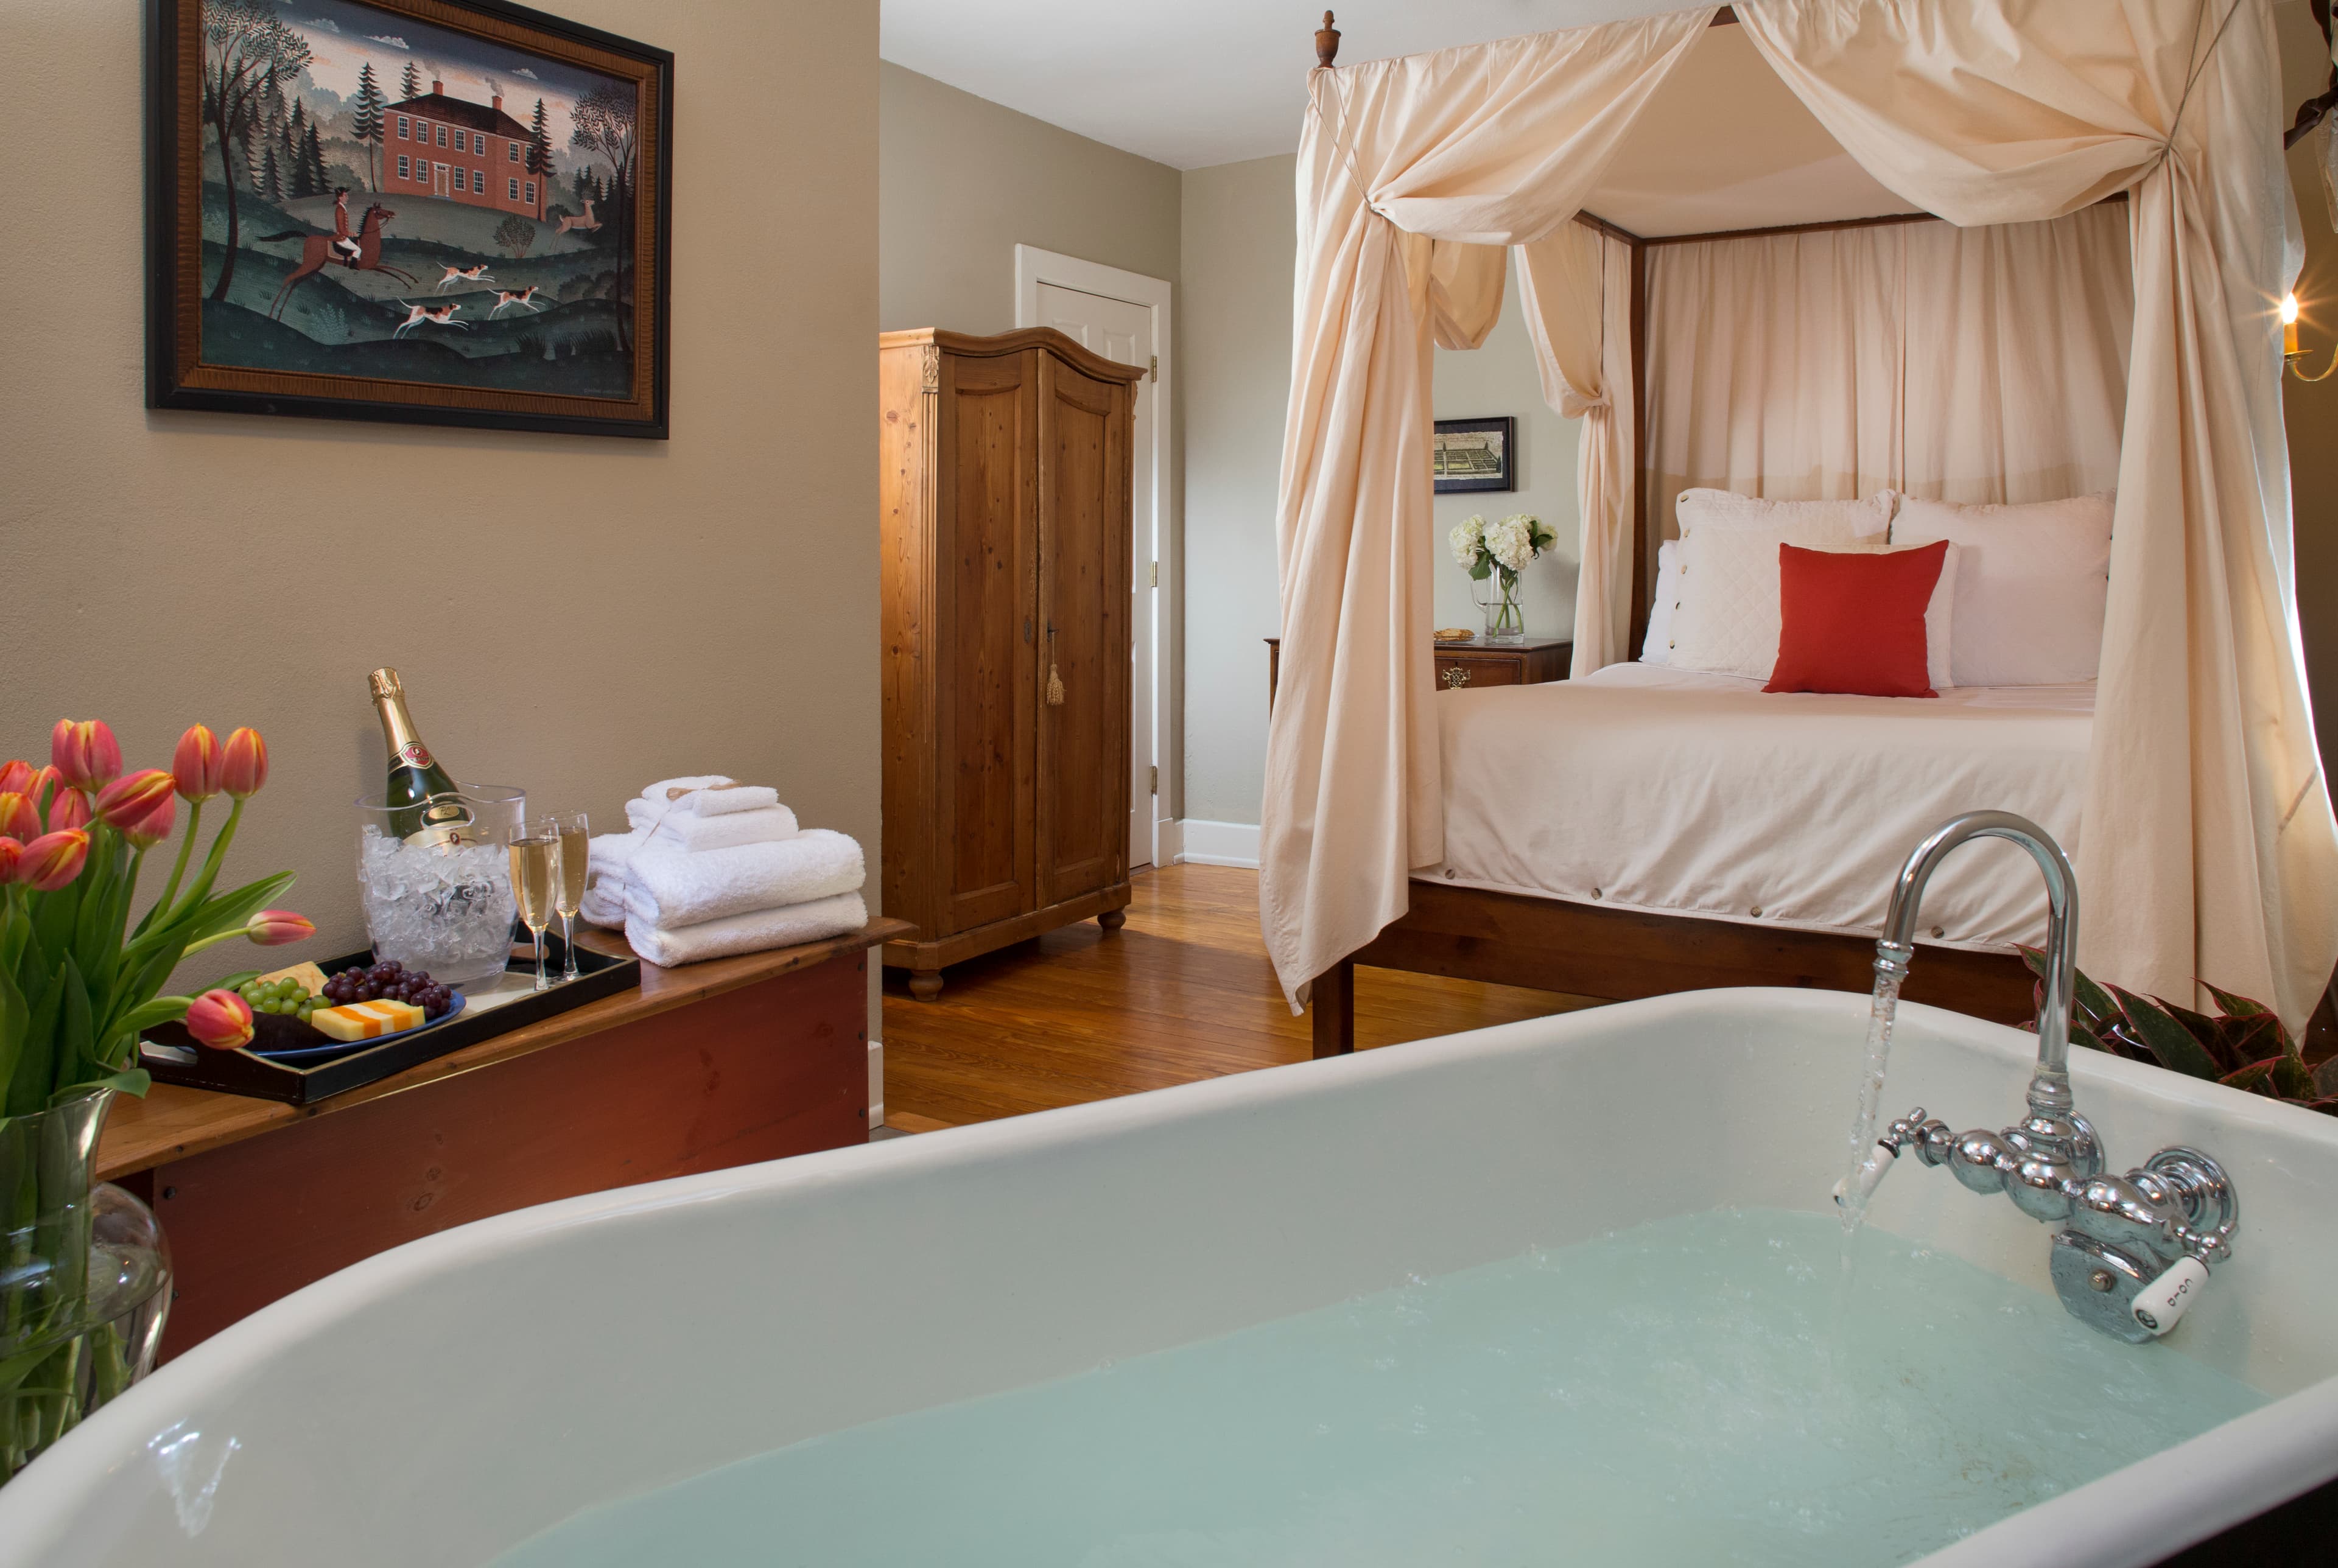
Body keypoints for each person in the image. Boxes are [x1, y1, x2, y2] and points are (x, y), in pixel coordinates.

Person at [329, 188, 363, 267]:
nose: (347, 197)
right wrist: (353, 234)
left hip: (344, 236)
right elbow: (342, 230)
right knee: (358, 250)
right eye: (345, 195)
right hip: (341, 238)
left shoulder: (342, 208)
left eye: (347, 195)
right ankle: (352, 266)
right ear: (340, 198)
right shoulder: (340, 210)